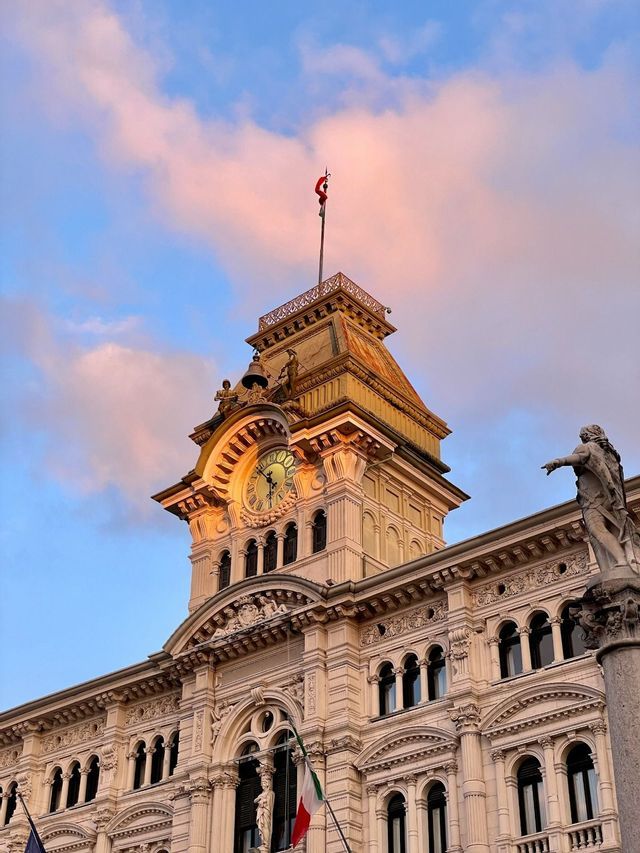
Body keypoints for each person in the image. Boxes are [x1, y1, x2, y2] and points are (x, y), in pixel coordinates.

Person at [543, 425, 640, 575]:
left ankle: (621, 560)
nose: (582, 438)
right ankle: (626, 561)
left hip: (593, 502)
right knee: (615, 530)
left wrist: (558, 461)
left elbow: (580, 457)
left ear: (587, 436)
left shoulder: (587, 447)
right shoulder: (610, 454)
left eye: (583, 435)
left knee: (597, 530)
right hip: (610, 500)